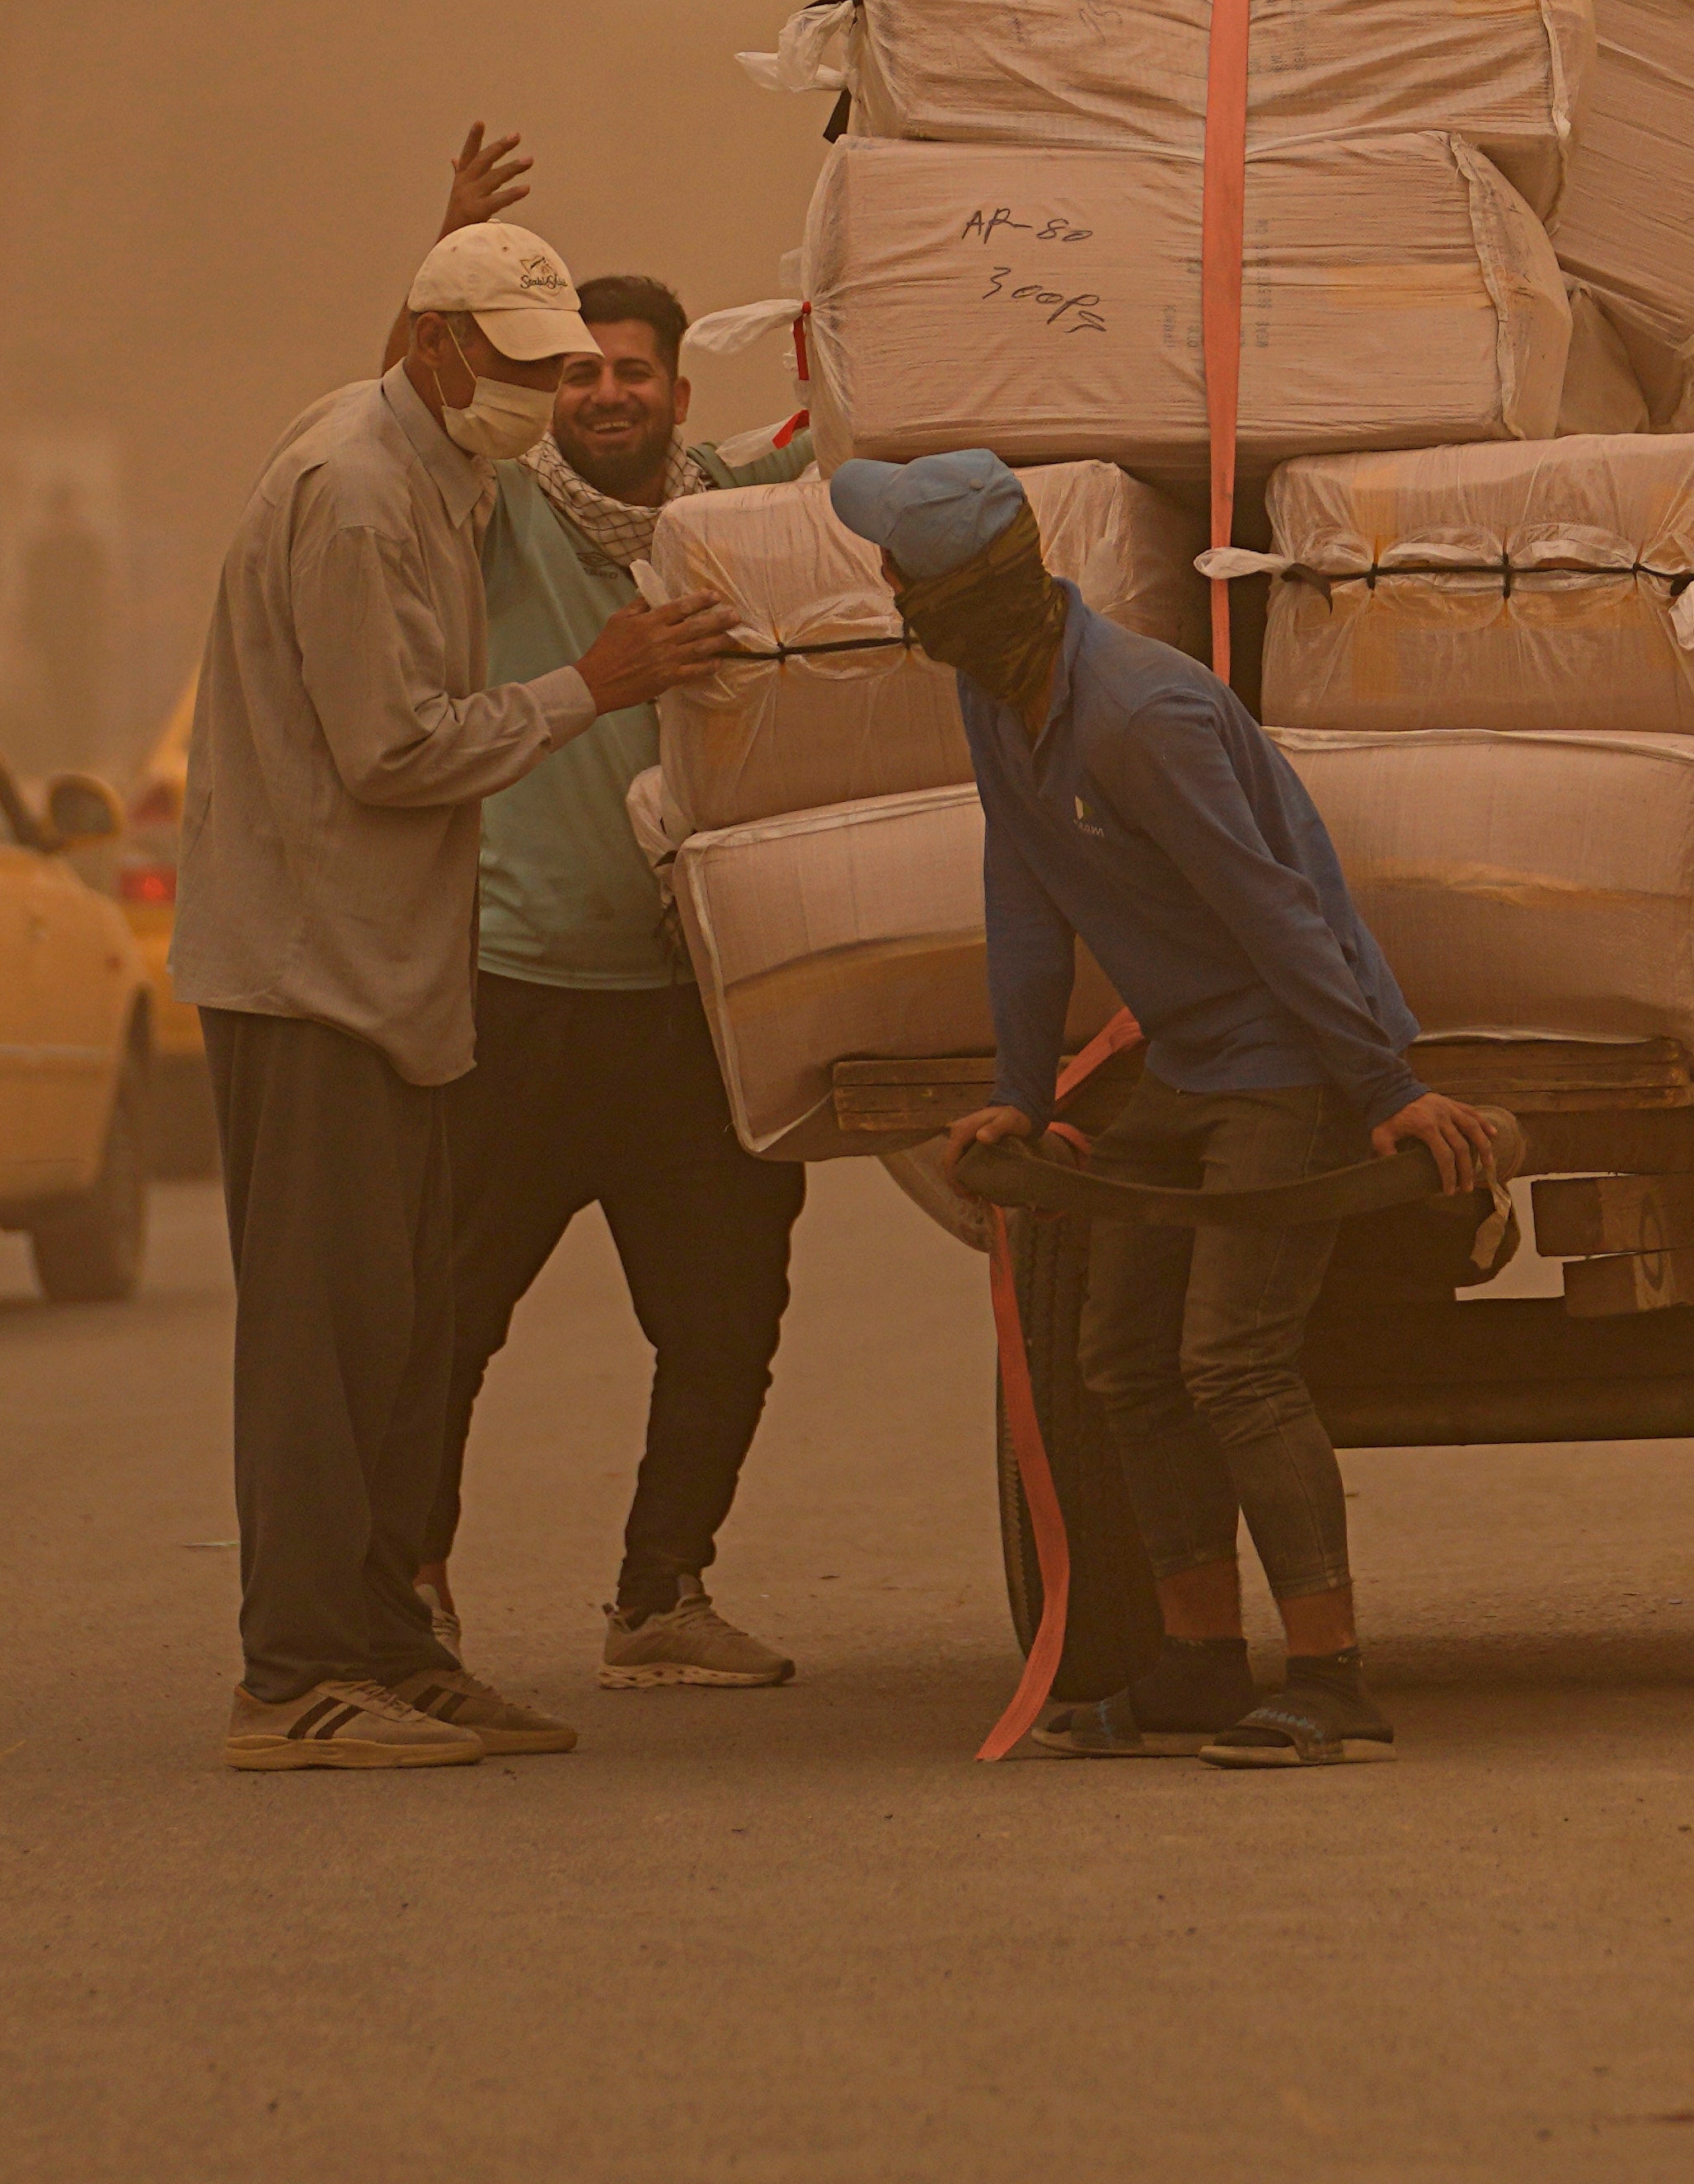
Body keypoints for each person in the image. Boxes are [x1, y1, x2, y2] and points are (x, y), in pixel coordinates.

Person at [828, 448, 1499, 1771]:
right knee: (1123, 1357)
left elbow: (1279, 909)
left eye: (899, 574)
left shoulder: (1140, 716)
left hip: (1287, 1058)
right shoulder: (998, 696)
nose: (887, 591)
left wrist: (1386, 1088)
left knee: (1232, 1362)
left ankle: (1332, 1675)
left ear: (957, 601)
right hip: (1193, 1058)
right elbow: (1023, 899)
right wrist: (1019, 1097)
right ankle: (1200, 1659)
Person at [171, 212, 738, 1772]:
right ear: (439, 351)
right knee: (320, 1340)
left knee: (390, 1334)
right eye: (526, 366)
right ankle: (293, 1679)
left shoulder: (435, 462)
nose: (553, 395)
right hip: (315, 975)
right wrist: (592, 686)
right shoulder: (359, 494)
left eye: (566, 367)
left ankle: (382, 1646)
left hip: (384, 971)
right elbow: (392, 747)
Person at [395, 131, 822, 1690]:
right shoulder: (501, 511)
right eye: (580, 375)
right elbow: (415, 416)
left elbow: (871, 431)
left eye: (633, 372)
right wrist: (443, 267)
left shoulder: (740, 513)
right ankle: (411, 1585)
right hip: (520, 995)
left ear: (679, 397)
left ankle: (662, 1594)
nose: (608, 396)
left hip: (694, 1008)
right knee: (447, 1322)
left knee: (728, 1314)